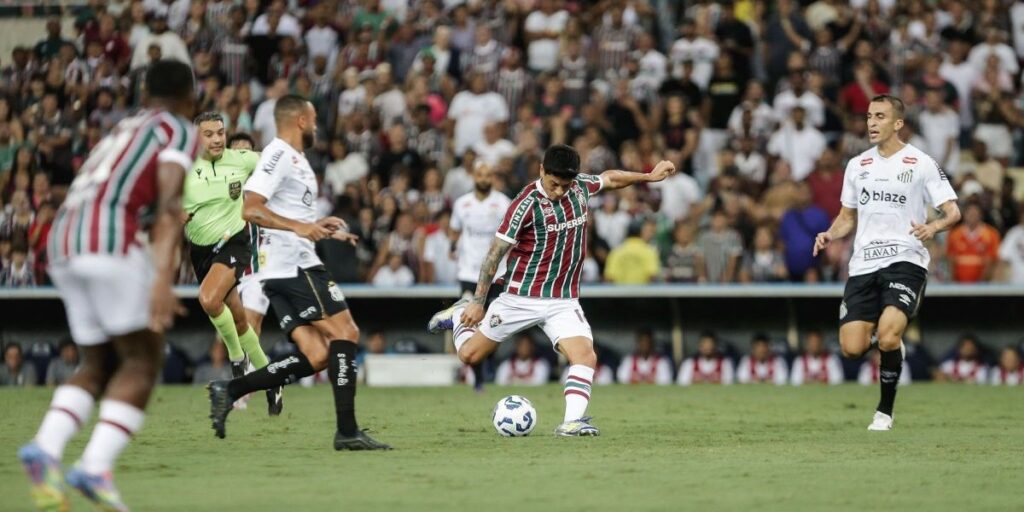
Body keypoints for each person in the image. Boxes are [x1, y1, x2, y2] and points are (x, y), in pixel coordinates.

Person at [18, 60, 198, 511]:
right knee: (142, 357)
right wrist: (161, 278)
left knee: (98, 360)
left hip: (61, 241)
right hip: (108, 239)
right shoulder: (176, 127)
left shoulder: (123, 127)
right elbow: (171, 202)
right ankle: (96, 466)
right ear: (188, 97)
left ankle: (46, 447)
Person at [429, 144, 677, 436]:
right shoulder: (524, 204)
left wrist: (648, 177)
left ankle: (571, 423)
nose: (560, 191)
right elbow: (494, 255)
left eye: (566, 184)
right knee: (469, 356)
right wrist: (478, 302)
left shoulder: (580, 187)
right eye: (554, 184)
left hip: (562, 300)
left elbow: (610, 178)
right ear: (541, 171)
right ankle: (459, 317)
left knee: (585, 356)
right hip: (518, 298)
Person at [206, 95, 390, 450]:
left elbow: (287, 213)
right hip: (294, 266)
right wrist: (300, 229)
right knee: (346, 332)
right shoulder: (277, 155)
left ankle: (230, 390)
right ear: (302, 121)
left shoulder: (296, 159)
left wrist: (321, 227)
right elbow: (250, 209)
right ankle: (347, 431)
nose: (318, 126)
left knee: (318, 355)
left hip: (286, 265)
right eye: (315, 119)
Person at [813, 95, 960, 430]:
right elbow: (846, 217)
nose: (871, 123)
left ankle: (884, 411)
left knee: (889, 336)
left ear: (898, 123)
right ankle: (893, 348)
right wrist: (830, 234)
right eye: (868, 116)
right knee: (852, 348)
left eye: (879, 116)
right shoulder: (857, 165)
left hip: (906, 259)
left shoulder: (920, 163)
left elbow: (953, 211)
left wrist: (933, 227)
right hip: (863, 264)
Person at [185, 112, 279, 414]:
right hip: (200, 251)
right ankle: (271, 378)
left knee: (209, 299)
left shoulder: (241, 160)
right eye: (208, 134)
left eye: (220, 133)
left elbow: (274, 159)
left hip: (234, 242)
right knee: (238, 320)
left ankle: (237, 359)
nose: (216, 139)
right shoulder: (185, 170)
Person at [448, 161, 511, 389]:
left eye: (488, 174)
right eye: (480, 174)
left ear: (492, 177)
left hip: (496, 273)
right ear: (474, 176)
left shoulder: (503, 203)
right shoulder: (461, 204)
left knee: (492, 323)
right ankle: (479, 377)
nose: (484, 178)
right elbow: (454, 231)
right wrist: (452, 246)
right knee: (471, 323)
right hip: (469, 272)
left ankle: (488, 365)